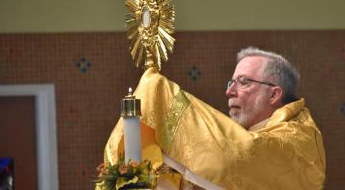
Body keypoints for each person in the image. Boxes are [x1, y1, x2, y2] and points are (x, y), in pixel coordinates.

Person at [97, 47, 326, 190]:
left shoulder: (298, 138)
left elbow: (236, 159)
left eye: (244, 82)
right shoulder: (251, 132)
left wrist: (158, 93)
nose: (230, 91)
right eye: (231, 82)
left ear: (274, 94)